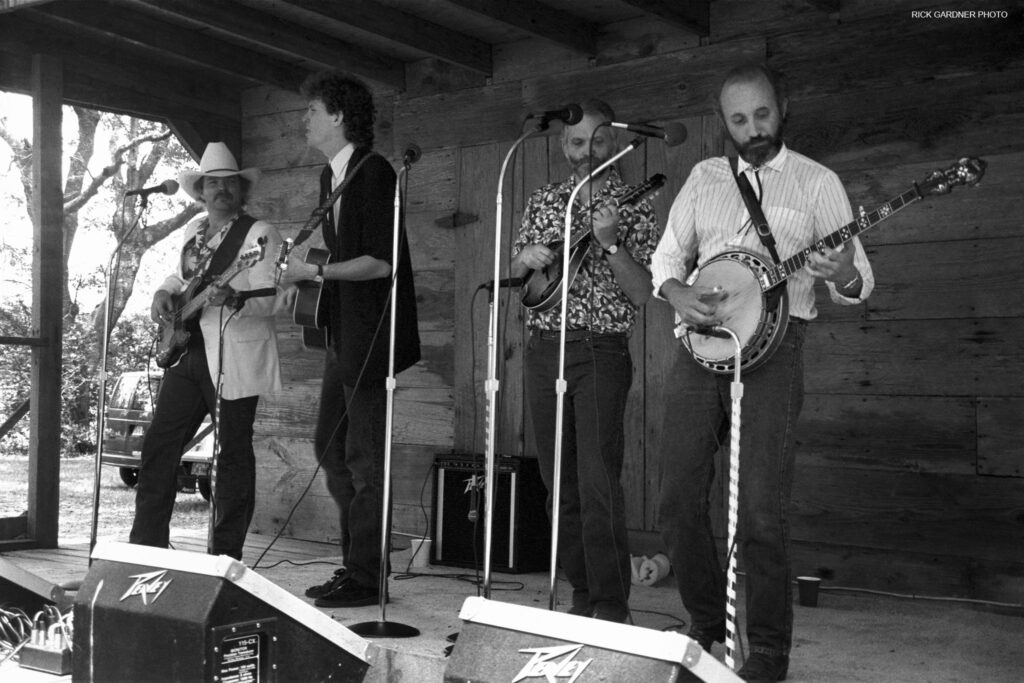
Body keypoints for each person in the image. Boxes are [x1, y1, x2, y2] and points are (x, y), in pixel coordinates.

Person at [651, 63, 875, 682]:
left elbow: (860, 281)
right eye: (739, 119)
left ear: (784, 108)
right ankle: (706, 625)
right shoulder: (704, 177)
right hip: (700, 351)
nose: (753, 129)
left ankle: (770, 651)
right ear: (725, 123)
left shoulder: (817, 182)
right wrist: (675, 291)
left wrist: (843, 275)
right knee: (674, 500)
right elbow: (668, 254)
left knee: (760, 511)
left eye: (763, 114)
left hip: (777, 353)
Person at [509, 99, 659, 623]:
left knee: (598, 482)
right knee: (559, 485)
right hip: (542, 349)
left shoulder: (634, 203)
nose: (585, 151)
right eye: (576, 142)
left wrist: (611, 244)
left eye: (597, 141)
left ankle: (612, 605)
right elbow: (523, 273)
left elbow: (643, 294)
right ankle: (580, 594)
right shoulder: (545, 198)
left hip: (599, 349)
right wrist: (523, 258)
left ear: (615, 142)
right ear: (562, 145)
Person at [280, 71, 420, 608]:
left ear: (338, 116)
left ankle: (367, 577)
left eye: (312, 110)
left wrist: (313, 274)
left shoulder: (375, 172)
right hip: (343, 336)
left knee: (363, 458)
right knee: (330, 449)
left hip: (372, 338)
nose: (304, 119)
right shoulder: (330, 177)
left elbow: (381, 262)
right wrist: (306, 274)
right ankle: (357, 565)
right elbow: (338, 260)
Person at [130, 141, 283, 561]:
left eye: (229, 184)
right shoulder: (192, 229)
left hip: (233, 355)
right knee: (160, 445)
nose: (221, 191)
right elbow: (179, 278)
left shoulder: (260, 234)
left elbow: (278, 296)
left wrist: (234, 297)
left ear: (241, 190)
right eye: (212, 183)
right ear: (200, 190)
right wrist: (163, 293)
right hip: (187, 351)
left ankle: (225, 557)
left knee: (232, 453)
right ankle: (146, 549)